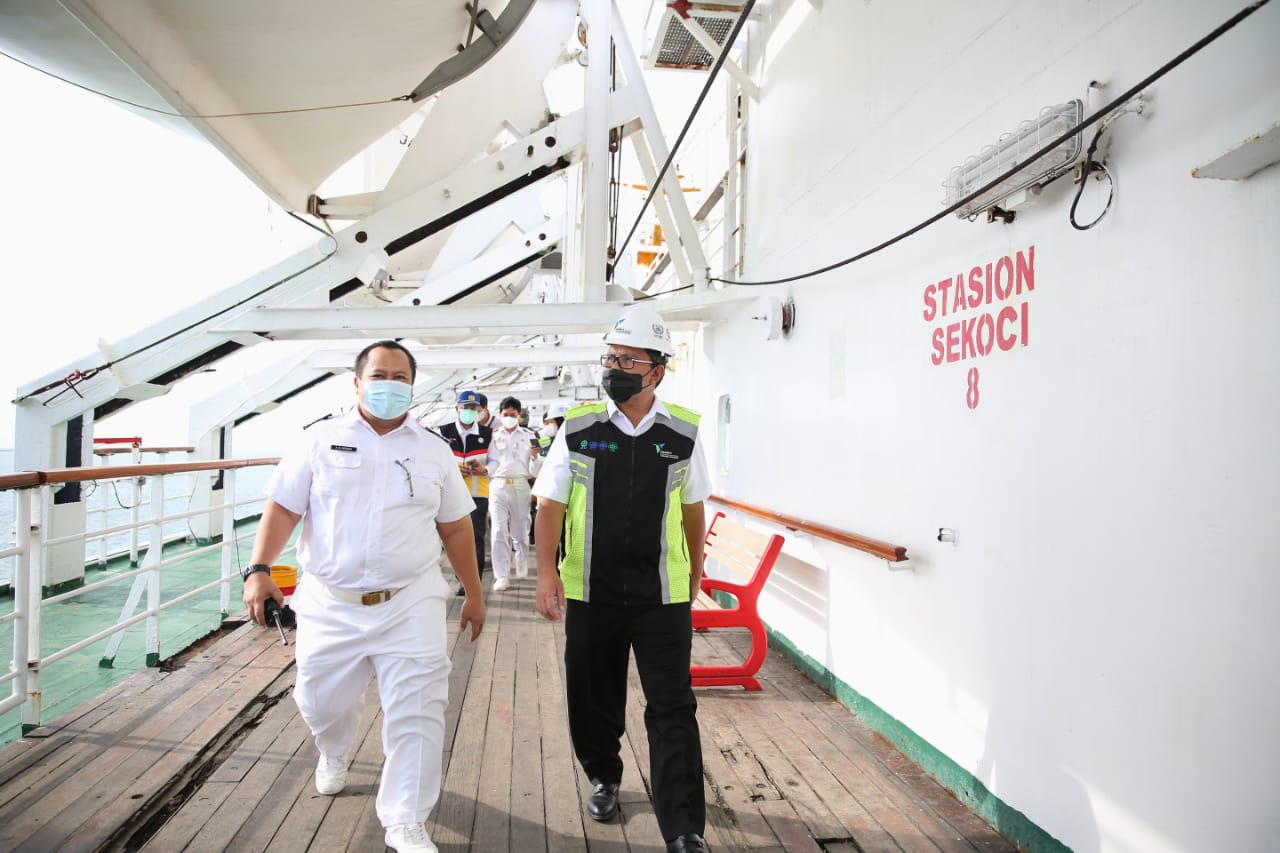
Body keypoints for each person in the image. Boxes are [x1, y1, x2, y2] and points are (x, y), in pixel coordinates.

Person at [242, 339, 485, 853]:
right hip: (330, 602)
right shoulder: (319, 439)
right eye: (379, 376)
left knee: (420, 708)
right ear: (357, 383)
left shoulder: (433, 450)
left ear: (412, 387)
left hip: (410, 599)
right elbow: (284, 507)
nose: (389, 385)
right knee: (320, 701)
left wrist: (473, 592)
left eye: (400, 378)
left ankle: (406, 819)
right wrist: (259, 569)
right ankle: (333, 748)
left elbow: (456, 526)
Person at [532, 305, 712, 853]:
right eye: (610, 357)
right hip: (592, 589)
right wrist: (546, 574)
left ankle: (683, 828)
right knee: (592, 695)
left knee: (672, 705)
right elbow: (550, 505)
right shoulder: (579, 427)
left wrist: (695, 570)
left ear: (657, 370)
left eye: (628, 360)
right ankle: (603, 776)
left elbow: (693, 509)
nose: (614, 367)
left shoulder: (682, 433)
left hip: (662, 595)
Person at [439, 390, 492, 593]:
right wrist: (453, 469)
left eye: (473, 408)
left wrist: (484, 469)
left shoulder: (487, 434)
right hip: (450, 494)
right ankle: (461, 576)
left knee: (475, 538)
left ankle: (473, 583)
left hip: (478, 494)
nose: (469, 412)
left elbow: (497, 462)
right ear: (457, 408)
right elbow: (436, 461)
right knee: (452, 537)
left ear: (479, 410)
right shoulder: (443, 432)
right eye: (465, 408)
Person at [487, 395, 541, 592]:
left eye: (513, 414)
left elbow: (536, 470)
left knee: (520, 529)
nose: (509, 417)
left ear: (519, 415)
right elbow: (489, 462)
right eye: (505, 414)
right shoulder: (492, 436)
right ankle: (501, 575)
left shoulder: (528, 435)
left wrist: (535, 457)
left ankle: (521, 557)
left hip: (520, 485)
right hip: (498, 485)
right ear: (500, 414)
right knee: (498, 530)